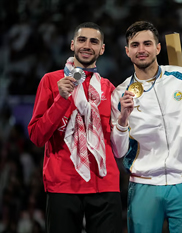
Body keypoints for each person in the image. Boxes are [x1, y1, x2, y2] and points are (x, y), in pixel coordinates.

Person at [28, 22, 122, 233]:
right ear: (72, 44)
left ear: (102, 49)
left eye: (94, 41)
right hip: (63, 184)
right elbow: (36, 136)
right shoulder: (51, 81)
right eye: (82, 40)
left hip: (104, 185)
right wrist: (61, 100)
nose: (87, 45)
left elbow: (117, 142)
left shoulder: (109, 88)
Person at [110, 21, 182, 233]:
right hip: (143, 183)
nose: (142, 50)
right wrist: (123, 119)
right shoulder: (120, 93)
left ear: (158, 48)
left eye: (147, 44)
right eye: (135, 45)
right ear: (127, 51)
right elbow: (119, 151)